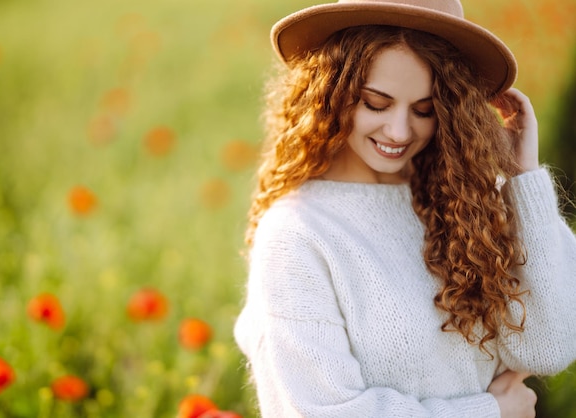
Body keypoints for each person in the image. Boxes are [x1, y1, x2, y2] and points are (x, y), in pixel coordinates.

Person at [233, 0, 576, 417]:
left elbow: (550, 348)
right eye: (376, 103)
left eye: (424, 110)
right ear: (331, 91)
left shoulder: (468, 202)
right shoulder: (297, 234)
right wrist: (488, 411)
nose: (398, 131)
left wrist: (524, 181)